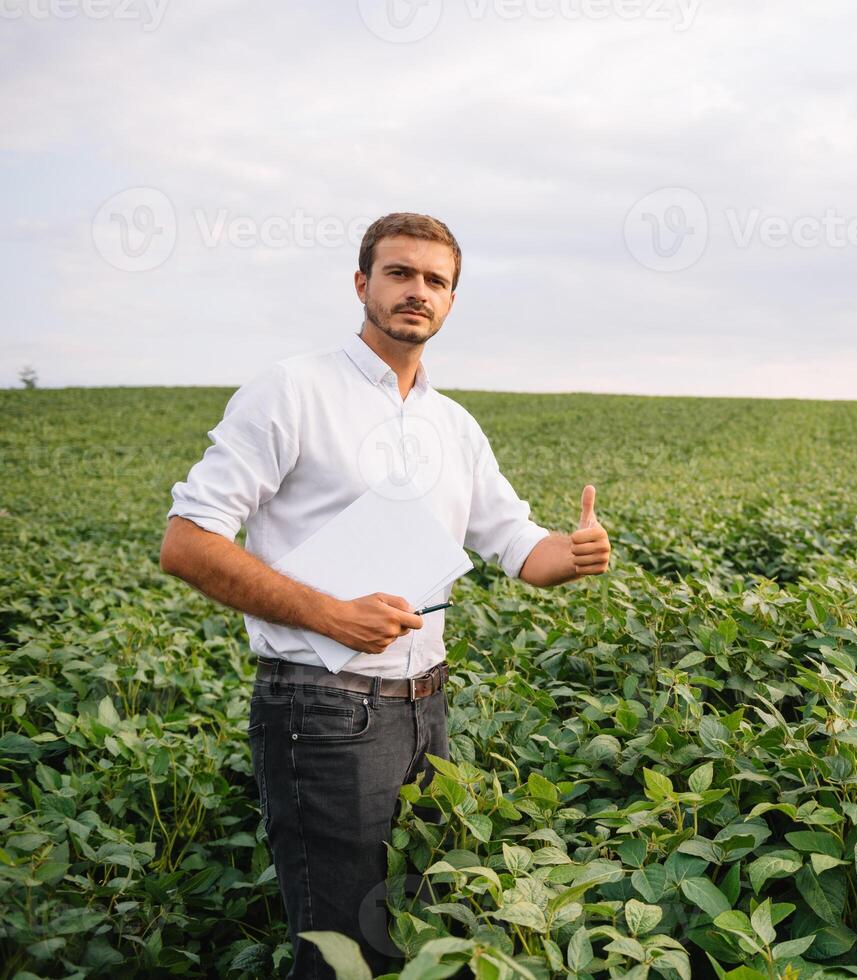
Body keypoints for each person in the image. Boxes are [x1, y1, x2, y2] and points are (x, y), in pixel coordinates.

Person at [158, 212, 612, 977]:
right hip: (321, 707)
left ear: (451, 301)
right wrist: (328, 612)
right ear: (363, 283)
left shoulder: (453, 425)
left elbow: (519, 547)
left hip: (424, 706)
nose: (417, 291)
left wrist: (574, 552)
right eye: (400, 273)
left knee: (412, 929)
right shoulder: (293, 389)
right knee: (344, 950)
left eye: (436, 280)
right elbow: (188, 541)